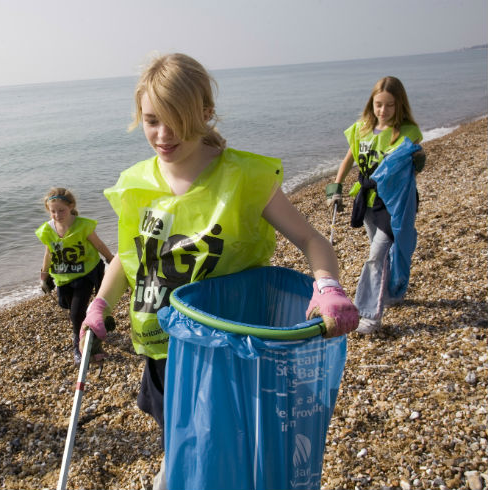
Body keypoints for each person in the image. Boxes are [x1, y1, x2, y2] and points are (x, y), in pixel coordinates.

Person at [80, 53, 359, 485]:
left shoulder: (244, 177)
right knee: (177, 440)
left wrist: (327, 285)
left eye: (177, 120)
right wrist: (100, 303)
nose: (163, 134)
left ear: (206, 113)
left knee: (230, 444)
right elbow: (129, 256)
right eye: (152, 120)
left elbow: (311, 240)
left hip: (228, 348)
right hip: (162, 346)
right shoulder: (136, 182)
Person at [326, 76, 425, 334]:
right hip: (367, 200)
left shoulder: (408, 132)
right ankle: (390, 293)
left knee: (376, 255)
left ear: (399, 104)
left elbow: (410, 167)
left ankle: (367, 316)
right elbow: (348, 160)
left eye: (390, 105)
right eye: (378, 104)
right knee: (378, 253)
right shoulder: (362, 128)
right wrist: (335, 188)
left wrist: (419, 159)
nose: (383, 110)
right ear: (372, 103)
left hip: (394, 202)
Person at [35, 187, 114, 364]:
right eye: (53, 211)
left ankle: (79, 346)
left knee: (76, 313)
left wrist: (111, 260)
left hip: (86, 273)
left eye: (61, 210)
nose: (57, 214)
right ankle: (94, 321)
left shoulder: (82, 226)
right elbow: (49, 253)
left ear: (71, 206)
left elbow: (99, 245)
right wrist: (44, 275)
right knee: (67, 306)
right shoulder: (48, 230)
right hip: (63, 276)